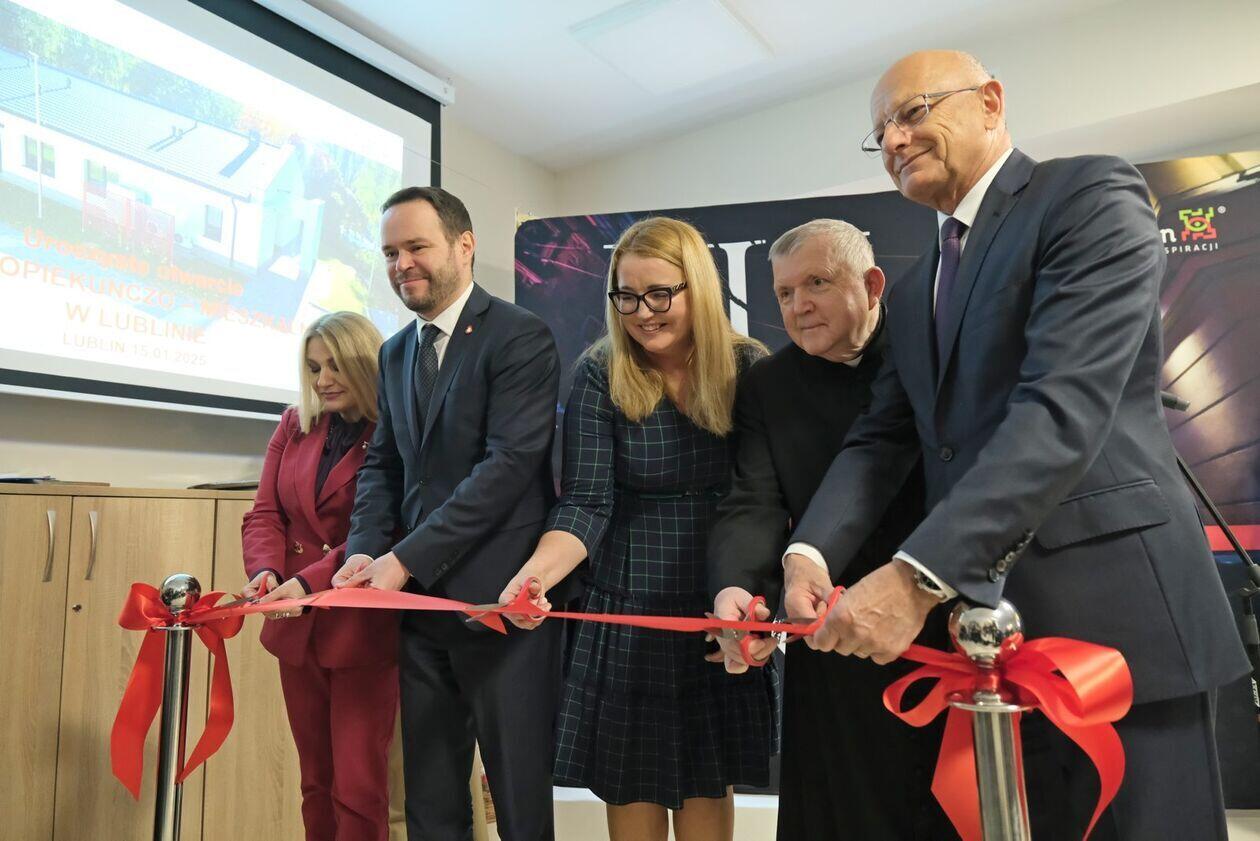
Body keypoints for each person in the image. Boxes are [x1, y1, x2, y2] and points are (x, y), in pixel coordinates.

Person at [783, 50, 1248, 839]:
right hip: (990, 650)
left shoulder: (1087, 196)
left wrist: (917, 578)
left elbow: (1063, 403)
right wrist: (809, 553)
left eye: (913, 112)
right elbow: (883, 437)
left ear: (991, 102)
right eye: (880, 132)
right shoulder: (921, 282)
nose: (894, 140)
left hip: (1118, 632)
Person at [498, 216, 775, 841]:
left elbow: (764, 501)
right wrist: (535, 577)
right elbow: (585, 503)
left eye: (659, 294)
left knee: (707, 789)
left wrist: (756, 602)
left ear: (697, 287)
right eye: (626, 297)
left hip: (718, 606)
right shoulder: (600, 372)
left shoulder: (748, 366)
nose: (643, 313)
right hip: (626, 612)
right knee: (630, 792)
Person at [706, 219, 952, 839]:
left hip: (939, 621)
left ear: (872, 285)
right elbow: (754, 501)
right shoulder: (767, 385)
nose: (799, 306)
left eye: (817, 283)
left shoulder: (932, 353)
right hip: (829, 634)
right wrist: (737, 588)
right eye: (785, 293)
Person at [333, 186, 562, 841]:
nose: (401, 263)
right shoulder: (393, 353)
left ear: (465, 246)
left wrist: (404, 558)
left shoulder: (520, 335)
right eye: (389, 252)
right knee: (431, 805)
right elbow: (384, 467)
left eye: (416, 246)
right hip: (418, 613)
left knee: (519, 806)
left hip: (503, 608)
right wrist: (363, 549)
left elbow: (507, 468)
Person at [240, 311, 399, 841]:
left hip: (360, 630)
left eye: (335, 365)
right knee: (315, 782)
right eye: (313, 368)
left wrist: (309, 581)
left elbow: (384, 531)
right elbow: (265, 514)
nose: (323, 380)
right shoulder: (293, 424)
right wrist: (264, 571)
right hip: (296, 627)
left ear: (365, 365)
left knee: (358, 789)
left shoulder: (394, 432)